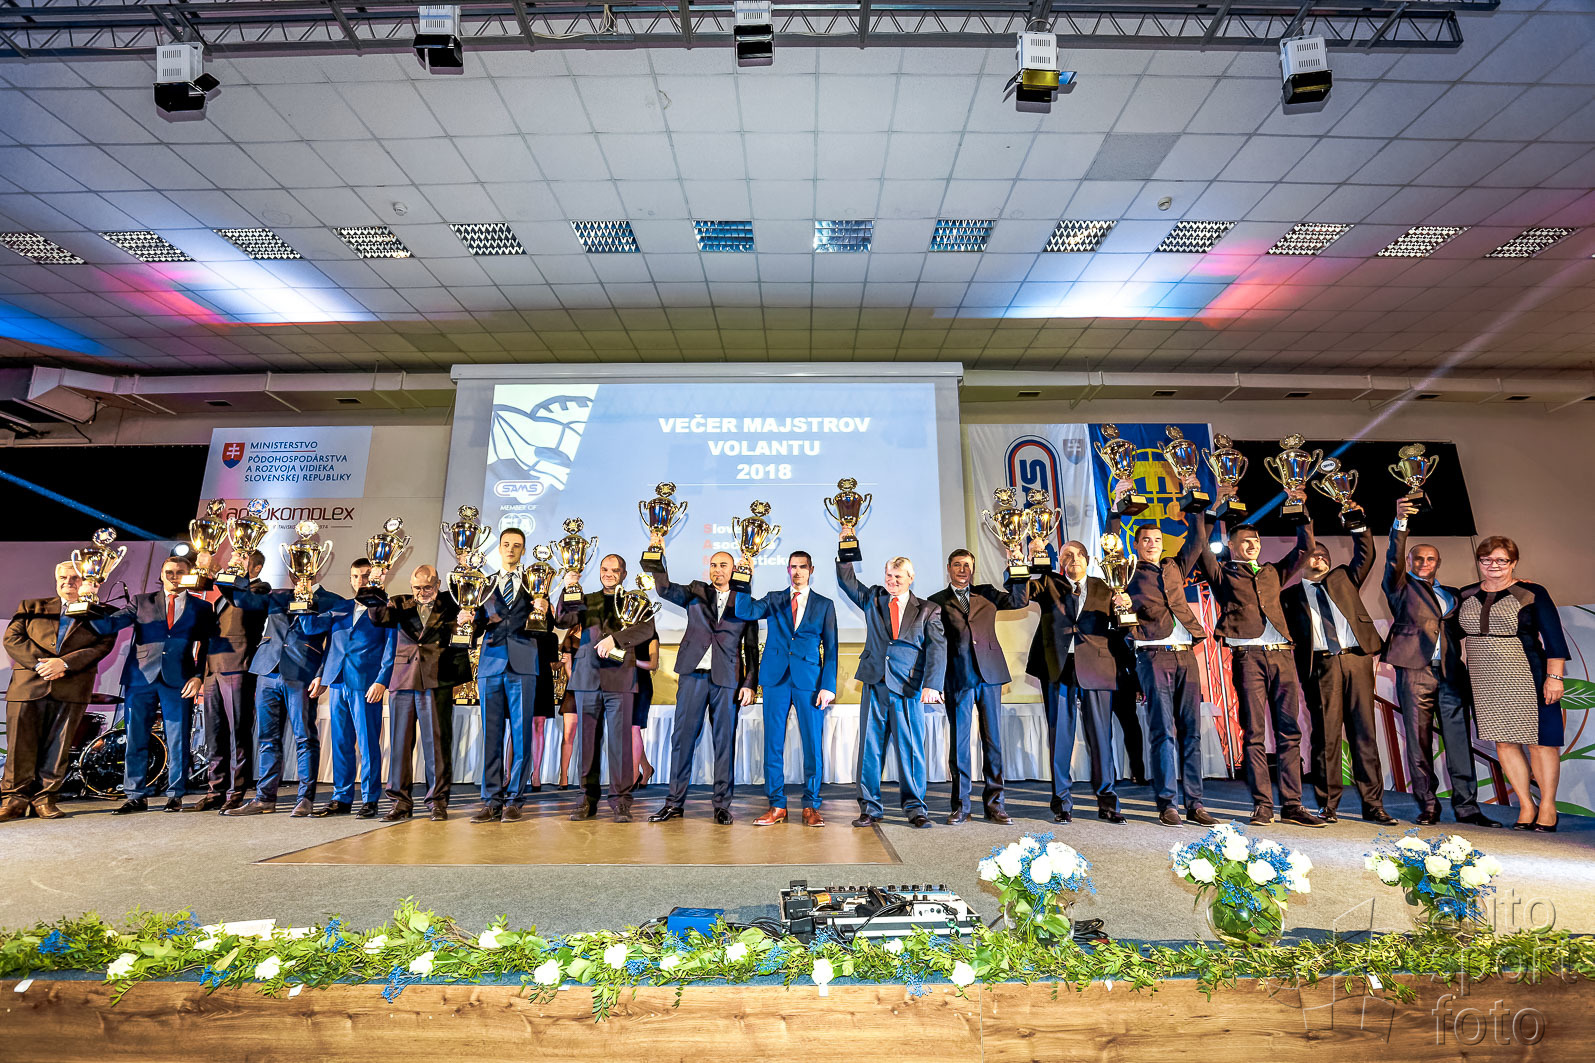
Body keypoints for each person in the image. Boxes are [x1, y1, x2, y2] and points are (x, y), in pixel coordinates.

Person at [1382, 499, 1495, 828]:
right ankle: (1428, 805)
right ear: (1410, 561)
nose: (1424, 562)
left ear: (1438, 563)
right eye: (1418, 558)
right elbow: (1392, 559)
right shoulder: (1400, 587)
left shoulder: (1453, 594)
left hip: (1450, 674)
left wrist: (1516, 583)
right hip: (1414, 672)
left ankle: (1467, 806)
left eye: (1430, 558)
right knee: (1418, 742)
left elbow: (1481, 596)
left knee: (1459, 741)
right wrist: (1400, 523)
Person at [1110, 479, 1216, 826]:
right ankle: (1167, 803)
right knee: (1162, 732)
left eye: (1156, 539)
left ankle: (1195, 803)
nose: (1153, 544)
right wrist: (1117, 505)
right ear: (1136, 544)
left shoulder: (1174, 566)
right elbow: (1110, 542)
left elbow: (1197, 540)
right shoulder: (1126, 570)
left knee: (1191, 731)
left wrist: (1193, 498)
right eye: (1146, 540)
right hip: (1153, 654)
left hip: (1186, 653)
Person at [1282, 525, 1394, 825]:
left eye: (1324, 554)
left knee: (1364, 734)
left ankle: (1374, 805)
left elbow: (1366, 555)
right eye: (1313, 554)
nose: (1320, 558)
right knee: (1326, 737)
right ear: (1301, 560)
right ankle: (1328, 804)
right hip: (1321, 666)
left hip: (1356, 660)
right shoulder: (1288, 597)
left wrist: (1358, 525)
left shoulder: (1344, 579)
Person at [1456, 536, 1570, 832]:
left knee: (1541, 744)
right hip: (1485, 680)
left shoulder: (1532, 592)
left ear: (1513, 562)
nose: (1493, 565)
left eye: (1501, 560)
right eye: (1486, 560)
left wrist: (1555, 677)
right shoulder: (1466, 594)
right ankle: (1526, 805)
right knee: (1504, 743)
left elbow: (1554, 638)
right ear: (1479, 562)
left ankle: (1548, 806)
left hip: (1528, 675)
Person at [90, 555, 216, 814]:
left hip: (180, 679)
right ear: (161, 574)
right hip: (140, 679)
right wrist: (88, 603)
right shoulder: (141, 601)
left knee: (178, 739)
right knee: (136, 738)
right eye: (169, 572)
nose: (174, 576)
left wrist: (198, 676)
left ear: (189, 574)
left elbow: (206, 645)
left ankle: (176, 794)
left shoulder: (202, 607)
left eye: (180, 572)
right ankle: (135, 795)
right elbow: (108, 625)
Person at [836, 545, 946, 829]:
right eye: (889, 575)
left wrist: (932, 685)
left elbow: (937, 649)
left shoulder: (928, 610)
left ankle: (915, 808)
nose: (892, 581)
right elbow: (847, 581)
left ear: (910, 578)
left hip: (908, 688)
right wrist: (846, 547)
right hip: (875, 683)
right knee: (869, 749)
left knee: (911, 751)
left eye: (898, 576)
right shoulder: (873, 598)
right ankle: (870, 808)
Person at [649, 549, 759, 825]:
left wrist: (749, 683)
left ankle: (722, 805)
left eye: (723, 565)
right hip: (692, 676)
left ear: (734, 570)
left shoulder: (745, 601)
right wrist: (656, 552)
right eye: (713, 565)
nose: (717, 569)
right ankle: (674, 803)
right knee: (682, 740)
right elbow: (663, 589)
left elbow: (751, 648)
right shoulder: (696, 591)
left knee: (724, 743)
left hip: (727, 679)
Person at [1, 562, 116, 821]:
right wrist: (42, 665)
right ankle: (14, 800)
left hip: (71, 688)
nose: (68, 582)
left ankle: (45, 799)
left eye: (75, 578)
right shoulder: (31, 606)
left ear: (88, 580)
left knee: (59, 747)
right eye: (63, 577)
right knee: (19, 747)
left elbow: (102, 645)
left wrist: (64, 664)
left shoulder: (102, 613)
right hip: (28, 686)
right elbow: (12, 639)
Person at [732, 550, 839, 827]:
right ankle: (777, 805)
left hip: (810, 683)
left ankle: (811, 805)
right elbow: (744, 611)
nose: (797, 571)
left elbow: (832, 649)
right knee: (773, 745)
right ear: (788, 570)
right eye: (793, 567)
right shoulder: (774, 598)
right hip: (775, 680)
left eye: (802, 567)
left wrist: (828, 686)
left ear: (811, 569)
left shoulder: (824, 605)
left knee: (812, 746)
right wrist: (744, 578)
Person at [218, 579, 342, 817]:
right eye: (295, 564)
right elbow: (241, 599)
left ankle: (305, 798)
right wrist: (230, 575)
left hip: (303, 672)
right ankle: (264, 798)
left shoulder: (331, 600)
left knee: (304, 737)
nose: (298, 570)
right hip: (267, 670)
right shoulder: (278, 595)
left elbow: (332, 642)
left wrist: (322, 674)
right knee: (267, 738)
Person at [1025, 539, 1124, 825]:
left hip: (1096, 667)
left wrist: (1124, 607)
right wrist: (1027, 559)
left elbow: (1122, 627)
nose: (1074, 559)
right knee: (1060, 738)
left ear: (1088, 560)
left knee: (1101, 738)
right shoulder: (1049, 584)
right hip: (1058, 667)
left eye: (1080, 554)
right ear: (1060, 562)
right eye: (1068, 555)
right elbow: (1018, 594)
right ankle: (1062, 804)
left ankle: (1108, 802)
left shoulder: (1106, 587)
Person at [927, 548, 1027, 825]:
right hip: (957, 678)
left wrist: (1015, 564)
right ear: (949, 568)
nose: (962, 570)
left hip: (990, 675)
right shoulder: (936, 602)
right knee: (959, 745)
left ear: (973, 569)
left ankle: (996, 805)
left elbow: (1020, 600)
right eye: (957, 565)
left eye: (967, 565)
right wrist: (934, 681)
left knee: (993, 742)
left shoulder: (988, 593)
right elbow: (934, 645)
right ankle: (961, 806)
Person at [558, 554, 656, 822]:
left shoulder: (636, 600)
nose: (608, 574)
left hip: (621, 679)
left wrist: (616, 639)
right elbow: (563, 621)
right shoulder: (587, 599)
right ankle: (586, 800)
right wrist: (567, 589)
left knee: (621, 744)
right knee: (587, 743)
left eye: (614, 570)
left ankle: (621, 801)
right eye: (604, 569)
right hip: (587, 679)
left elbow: (647, 630)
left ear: (624, 574)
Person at [367, 564, 460, 821]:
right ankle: (400, 803)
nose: (422, 592)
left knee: (437, 745)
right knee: (399, 745)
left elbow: (467, 630)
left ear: (438, 584)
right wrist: (375, 586)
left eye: (427, 587)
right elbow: (378, 617)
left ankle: (437, 802)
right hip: (403, 680)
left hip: (436, 680)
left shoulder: (452, 604)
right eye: (417, 587)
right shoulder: (399, 603)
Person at [471, 527, 547, 823]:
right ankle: (491, 800)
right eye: (506, 544)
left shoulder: (535, 582)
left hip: (523, 663)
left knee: (522, 734)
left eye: (517, 545)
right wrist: (467, 619)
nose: (511, 549)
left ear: (523, 550)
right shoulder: (484, 584)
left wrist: (545, 608)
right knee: (491, 736)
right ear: (499, 548)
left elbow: (548, 624)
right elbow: (477, 623)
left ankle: (515, 799)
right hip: (491, 664)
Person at [316, 558, 397, 818]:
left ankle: (370, 799)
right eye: (355, 576)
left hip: (366, 683)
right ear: (350, 580)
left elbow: (391, 647)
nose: (360, 581)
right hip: (337, 681)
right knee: (341, 742)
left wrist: (382, 680)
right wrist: (320, 675)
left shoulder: (387, 608)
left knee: (368, 743)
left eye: (365, 575)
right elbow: (329, 645)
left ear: (376, 577)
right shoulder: (340, 608)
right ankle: (341, 798)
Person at [193, 549, 269, 812]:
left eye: (242, 558)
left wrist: (217, 572)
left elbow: (241, 599)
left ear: (256, 568)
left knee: (238, 732)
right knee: (214, 734)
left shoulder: (259, 589)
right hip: (213, 668)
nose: (235, 560)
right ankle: (215, 789)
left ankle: (236, 791)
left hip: (238, 666)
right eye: (234, 556)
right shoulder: (224, 593)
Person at [556, 625, 582, 789]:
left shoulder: (597, 636)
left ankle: (586, 776)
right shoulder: (570, 640)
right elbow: (568, 668)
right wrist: (580, 685)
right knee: (568, 736)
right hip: (574, 691)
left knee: (590, 737)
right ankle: (563, 774)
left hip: (593, 690)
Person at [632, 634, 659, 789]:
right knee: (629, 732)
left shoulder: (651, 635)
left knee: (633, 728)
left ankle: (634, 774)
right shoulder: (623, 632)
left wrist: (632, 661)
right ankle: (646, 768)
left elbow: (653, 664)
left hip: (641, 685)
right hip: (624, 685)